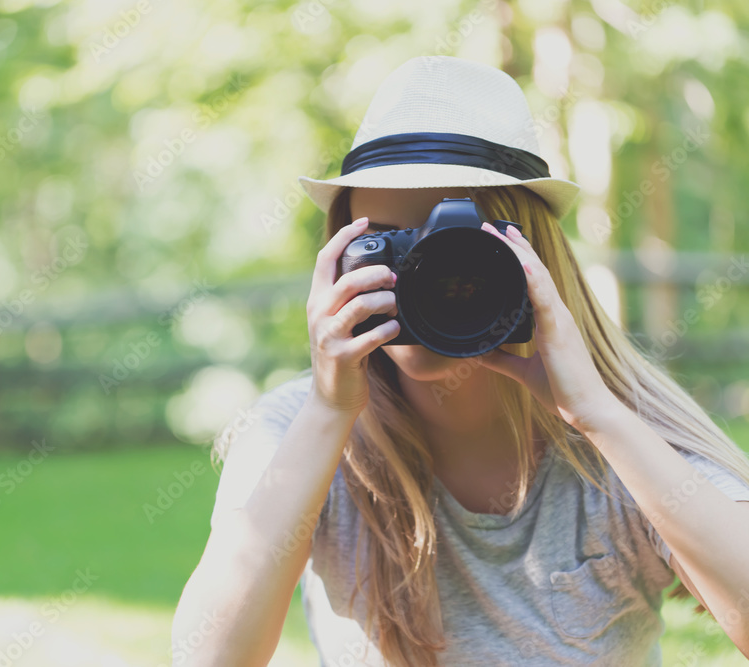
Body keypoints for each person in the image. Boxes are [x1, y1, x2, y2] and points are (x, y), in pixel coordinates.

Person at [171, 56, 749, 666]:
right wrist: (328, 412)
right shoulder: (296, 429)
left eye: (454, 250)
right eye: (393, 243)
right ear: (342, 252)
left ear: (532, 258)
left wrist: (597, 416)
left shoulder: (623, 437)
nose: (425, 279)